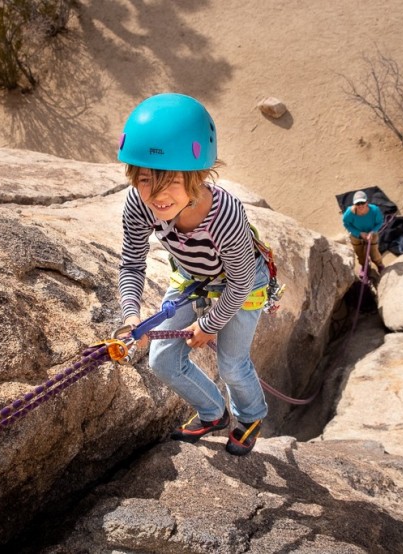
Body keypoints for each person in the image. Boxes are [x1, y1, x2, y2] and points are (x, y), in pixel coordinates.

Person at [117, 93, 269, 456]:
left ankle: (250, 416)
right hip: (192, 278)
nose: (156, 196)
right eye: (144, 180)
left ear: (197, 177)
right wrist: (130, 316)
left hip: (241, 282)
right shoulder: (139, 204)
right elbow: (132, 263)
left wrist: (210, 324)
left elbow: (242, 279)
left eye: (170, 181)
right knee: (161, 360)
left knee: (232, 364)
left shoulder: (224, 214)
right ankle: (212, 412)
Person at [342, 190, 385, 273]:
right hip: (356, 236)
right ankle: (365, 266)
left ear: (367, 202)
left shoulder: (374, 210)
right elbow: (346, 224)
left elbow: (379, 222)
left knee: (374, 253)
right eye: (358, 203)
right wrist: (359, 233)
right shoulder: (349, 213)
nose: (360, 205)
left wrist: (372, 232)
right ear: (354, 204)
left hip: (371, 234)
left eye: (362, 202)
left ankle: (379, 265)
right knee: (360, 254)